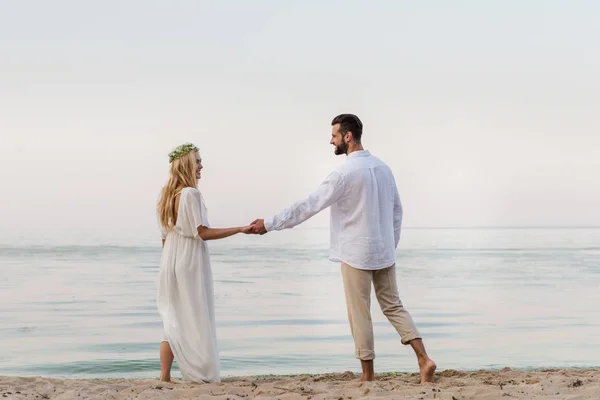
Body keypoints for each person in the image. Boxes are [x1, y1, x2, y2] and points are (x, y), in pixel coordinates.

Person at [250, 114, 436, 383]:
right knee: (394, 306)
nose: (331, 140)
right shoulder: (383, 168)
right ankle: (424, 359)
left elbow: (308, 205)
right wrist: (389, 245)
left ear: (348, 136)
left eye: (334, 136)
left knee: (359, 311)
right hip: (384, 252)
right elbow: (397, 211)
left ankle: (367, 375)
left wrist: (269, 224)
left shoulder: (343, 173)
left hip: (356, 253)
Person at [156, 142, 254, 383]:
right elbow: (202, 232)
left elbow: (164, 236)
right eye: (197, 161)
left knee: (173, 318)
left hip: (170, 259)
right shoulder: (191, 194)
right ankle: (200, 372)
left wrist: (171, 263)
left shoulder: (166, 195)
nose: (201, 166)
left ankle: (164, 376)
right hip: (189, 260)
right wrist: (240, 229)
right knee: (195, 315)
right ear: (187, 164)